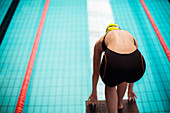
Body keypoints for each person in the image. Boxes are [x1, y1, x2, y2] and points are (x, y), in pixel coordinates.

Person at [87, 23, 146, 113]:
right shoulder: (130, 36)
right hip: (138, 65)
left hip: (114, 62)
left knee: (110, 83)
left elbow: (96, 72)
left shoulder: (102, 40)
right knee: (124, 75)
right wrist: (130, 89)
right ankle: (119, 104)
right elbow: (131, 61)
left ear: (106, 33)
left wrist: (94, 92)